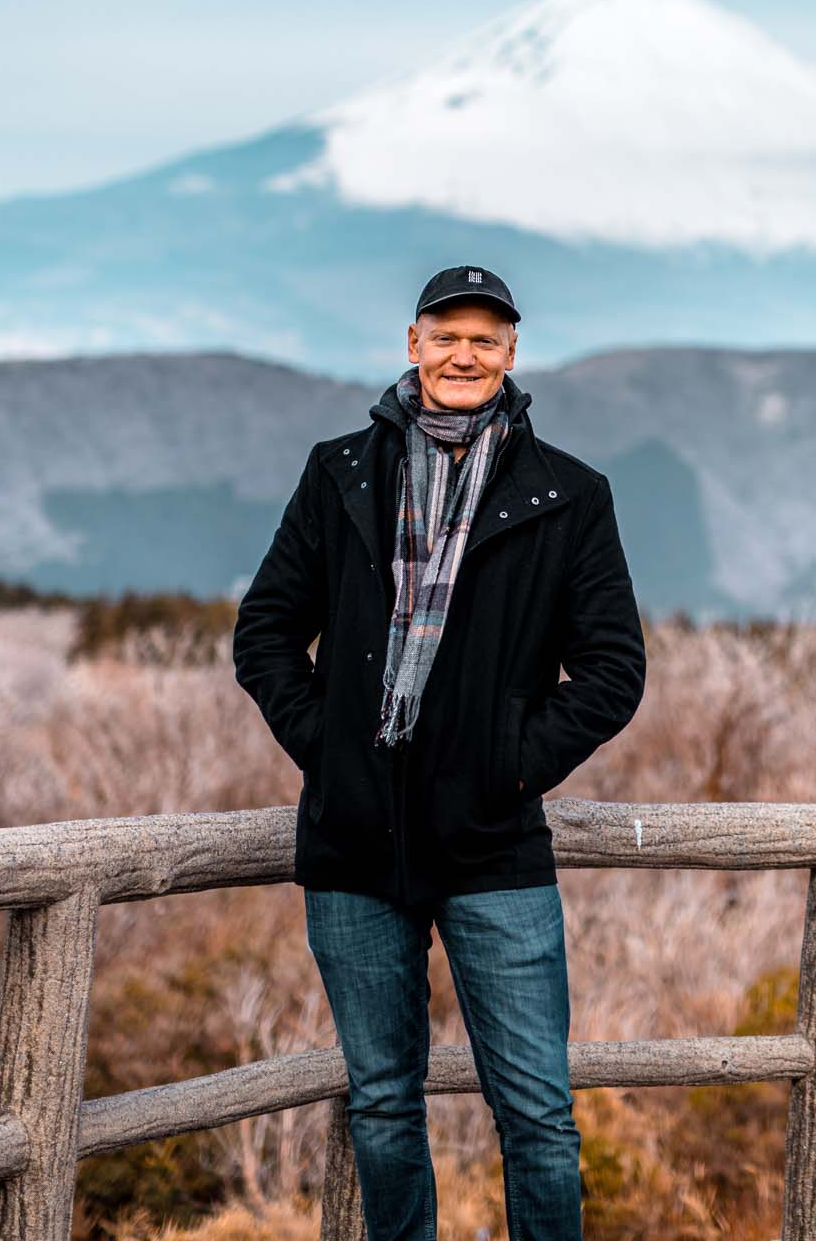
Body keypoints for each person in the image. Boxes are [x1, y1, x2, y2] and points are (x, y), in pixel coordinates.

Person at [232, 263, 647, 1241]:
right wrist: (329, 750)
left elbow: (613, 669)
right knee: (382, 1103)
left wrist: (506, 764)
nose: (465, 354)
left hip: (493, 843)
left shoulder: (568, 493)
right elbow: (265, 634)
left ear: (511, 356)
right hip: (352, 843)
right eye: (446, 334)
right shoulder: (341, 474)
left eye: (486, 339)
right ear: (411, 343)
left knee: (539, 1114)